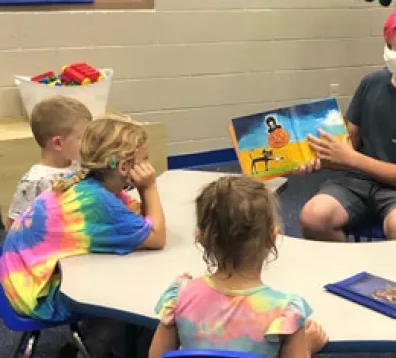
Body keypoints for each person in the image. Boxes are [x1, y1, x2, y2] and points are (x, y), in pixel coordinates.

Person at [0, 115, 166, 357]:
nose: (148, 166)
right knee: (129, 292)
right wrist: (148, 187)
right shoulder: (96, 202)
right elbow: (157, 237)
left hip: (18, 272)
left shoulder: (84, 182)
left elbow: (133, 211)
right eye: (144, 160)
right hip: (34, 294)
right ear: (123, 167)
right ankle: (92, 348)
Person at [298, 1, 396, 241]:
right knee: (313, 216)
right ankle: (349, 272)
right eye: (389, 46)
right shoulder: (371, 83)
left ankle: (389, 279)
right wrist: (314, 157)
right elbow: (347, 143)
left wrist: (352, 159)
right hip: (357, 183)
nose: (392, 55)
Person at [149, 176, 328, 358]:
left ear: (201, 238)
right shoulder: (284, 312)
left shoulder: (180, 297)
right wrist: (307, 347)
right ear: (273, 237)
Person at [5, 96, 93, 229]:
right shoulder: (35, 181)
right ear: (58, 143)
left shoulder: (80, 166)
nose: (89, 143)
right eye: (82, 138)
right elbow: (13, 225)